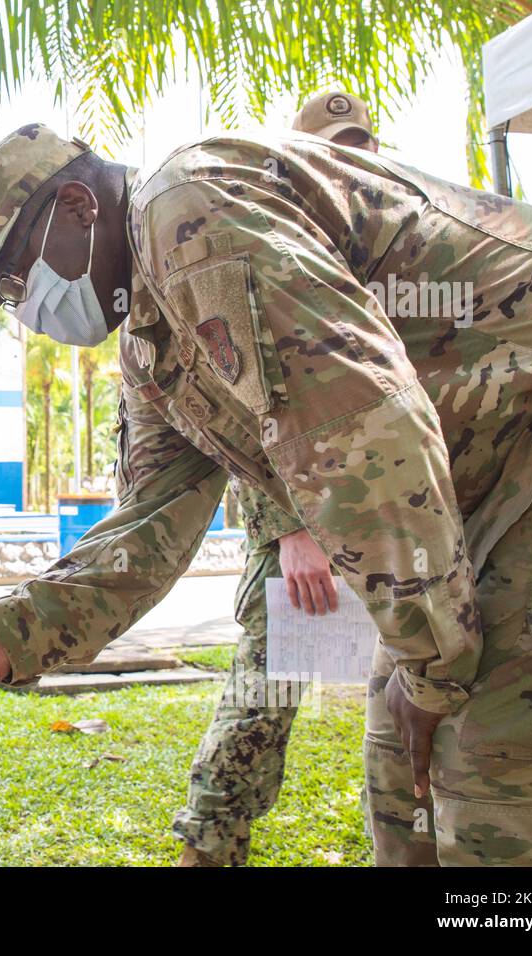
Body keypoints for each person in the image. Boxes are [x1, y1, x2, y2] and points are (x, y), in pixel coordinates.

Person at [0, 121, 532, 866]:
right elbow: (146, 532)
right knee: (401, 773)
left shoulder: (188, 211)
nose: (26, 307)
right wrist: (0, 636)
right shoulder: (149, 345)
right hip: (504, 484)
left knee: (498, 771)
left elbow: (367, 437)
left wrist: (434, 671)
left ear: (78, 206)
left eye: (16, 277)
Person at [177, 90, 408, 866]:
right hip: (311, 528)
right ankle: (209, 851)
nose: (355, 159)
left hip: (408, 518)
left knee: (427, 702)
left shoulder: (395, 249)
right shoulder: (275, 244)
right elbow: (245, 406)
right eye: (336, 146)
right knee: (266, 702)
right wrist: (291, 529)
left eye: (362, 143)